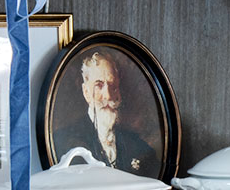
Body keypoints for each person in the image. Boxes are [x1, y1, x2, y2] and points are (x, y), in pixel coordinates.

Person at [56, 47, 157, 175]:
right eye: (99, 85)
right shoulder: (65, 141)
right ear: (86, 92)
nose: (108, 96)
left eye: (112, 86)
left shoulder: (137, 145)